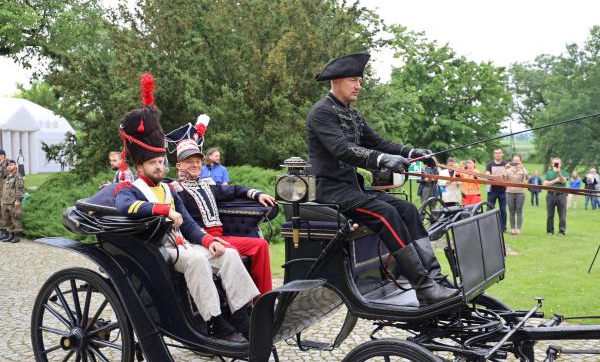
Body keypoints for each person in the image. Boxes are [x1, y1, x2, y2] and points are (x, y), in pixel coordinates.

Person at [307, 53, 459, 305]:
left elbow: (377, 142)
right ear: (335, 82)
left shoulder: (353, 115)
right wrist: (381, 160)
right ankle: (423, 287)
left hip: (354, 188)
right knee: (385, 213)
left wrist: (411, 153)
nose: (359, 85)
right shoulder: (321, 112)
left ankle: (435, 278)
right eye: (353, 80)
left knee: (408, 210)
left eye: (360, 80)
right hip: (331, 190)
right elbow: (341, 148)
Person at [114, 74, 258, 342]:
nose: (159, 167)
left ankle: (241, 315)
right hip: (158, 250)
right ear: (140, 167)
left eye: (161, 161)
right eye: (153, 163)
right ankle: (213, 322)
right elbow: (127, 207)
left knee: (227, 253)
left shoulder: (169, 189)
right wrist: (163, 211)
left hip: (185, 244)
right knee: (198, 261)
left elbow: (190, 225)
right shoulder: (130, 189)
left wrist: (208, 239)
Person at [165, 119, 276, 294]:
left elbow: (234, 189)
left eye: (198, 161)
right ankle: (241, 310)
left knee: (260, 245)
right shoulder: (177, 190)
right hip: (199, 241)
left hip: (222, 237)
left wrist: (257, 194)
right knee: (232, 255)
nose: (195, 165)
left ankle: (263, 300)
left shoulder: (208, 184)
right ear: (179, 165)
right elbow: (186, 226)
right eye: (189, 161)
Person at [0, 160, 24, 243]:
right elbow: (4, 190)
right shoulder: (7, 177)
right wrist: (2, 200)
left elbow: (20, 189)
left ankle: (16, 236)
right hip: (6, 202)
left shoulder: (18, 176)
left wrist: (18, 200)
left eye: (11, 165)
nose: (9, 166)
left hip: (14, 202)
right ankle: (10, 235)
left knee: (15, 219)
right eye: (8, 165)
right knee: (8, 219)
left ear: (15, 166)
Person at [543, 157, 568, 235]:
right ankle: (550, 231)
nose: (556, 165)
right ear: (552, 164)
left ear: (560, 164)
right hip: (550, 195)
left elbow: (563, 180)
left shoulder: (564, 172)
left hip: (561, 195)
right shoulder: (548, 173)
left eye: (558, 163)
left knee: (562, 215)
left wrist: (559, 173)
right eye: (555, 163)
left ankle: (562, 231)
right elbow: (545, 184)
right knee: (550, 214)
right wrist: (556, 180)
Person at [504, 156, 528, 235]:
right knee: (511, 211)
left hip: (520, 193)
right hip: (509, 192)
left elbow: (527, 175)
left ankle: (519, 229)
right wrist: (505, 168)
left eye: (518, 161)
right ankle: (512, 228)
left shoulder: (522, 170)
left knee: (519, 211)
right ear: (512, 161)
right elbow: (503, 177)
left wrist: (522, 166)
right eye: (514, 160)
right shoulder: (508, 170)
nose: (516, 162)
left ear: (520, 161)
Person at [486, 148, 508, 233]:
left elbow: (506, 176)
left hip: (503, 190)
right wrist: (500, 176)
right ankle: (489, 227)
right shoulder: (489, 164)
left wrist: (495, 176)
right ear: (494, 155)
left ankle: (503, 228)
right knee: (490, 210)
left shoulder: (506, 164)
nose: (498, 154)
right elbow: (488, 176)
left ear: (502, 154)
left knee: (503, 210)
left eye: (499, 153)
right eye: (496, 153)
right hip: (492, 190)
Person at [0, 150, 8, 239]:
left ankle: (5, 231)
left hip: (4, 192)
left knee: (4, 212)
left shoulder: (6, 164)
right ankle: (1, 230)